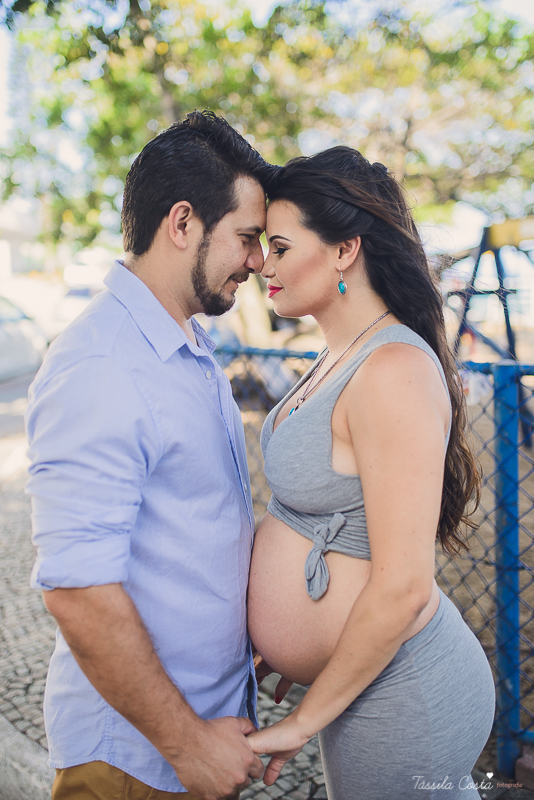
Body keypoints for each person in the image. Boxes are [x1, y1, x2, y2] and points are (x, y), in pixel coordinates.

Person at [26, 111, 272, 800]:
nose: (258, 261)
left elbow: (189, 534)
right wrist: (187, 743)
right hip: (135, 764)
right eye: (246, 238)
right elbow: (78, 590)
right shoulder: (102, 363)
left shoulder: (185, 344)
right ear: (183, 222)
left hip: (198, 741)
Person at [247, 147, 495, 799]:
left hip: (405, 689)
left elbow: (405, 588)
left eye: (278, 246)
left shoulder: (392, 371)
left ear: (343, 250)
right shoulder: (341, 353)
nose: (260, 265)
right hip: (366, 681)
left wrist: (303, 717)